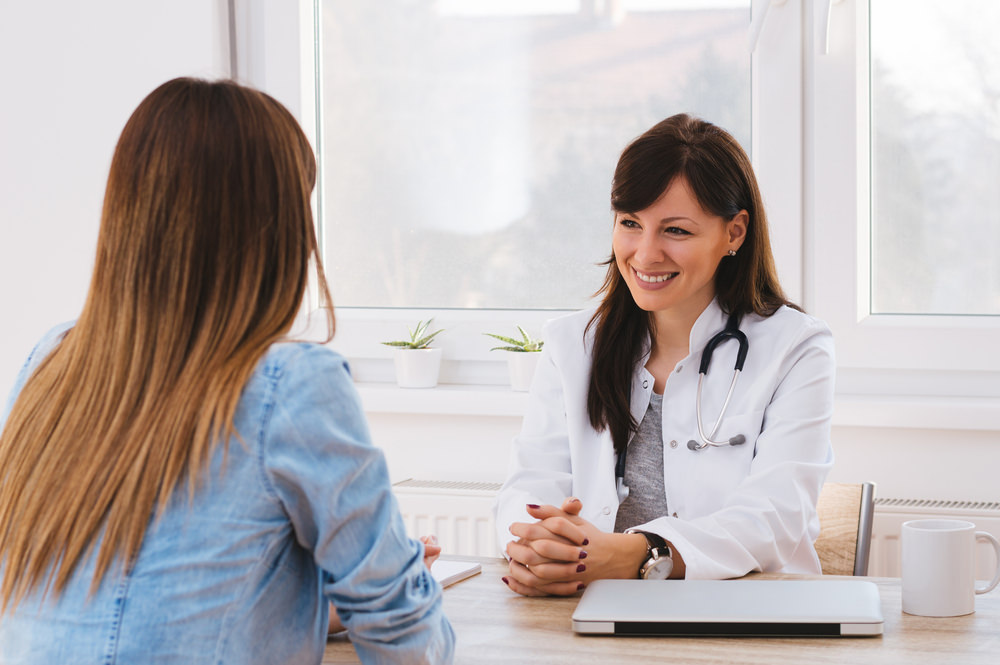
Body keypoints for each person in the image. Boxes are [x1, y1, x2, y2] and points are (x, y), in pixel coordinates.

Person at [0, 78, 454, 664]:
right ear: (276, 231)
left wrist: (304, 604)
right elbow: (405, 638)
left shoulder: (52, 363)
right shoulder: (287, 384)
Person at [494, 113, 835, 596]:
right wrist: (537, 544)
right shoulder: (574, 345)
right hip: (590, 612)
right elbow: (528, 487)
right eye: (631, 223)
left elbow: (775, 517)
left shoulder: (797, 349)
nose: (645, 253)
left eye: (675, 231)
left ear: (734, 233)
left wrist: (639, 553)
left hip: (748, 617)